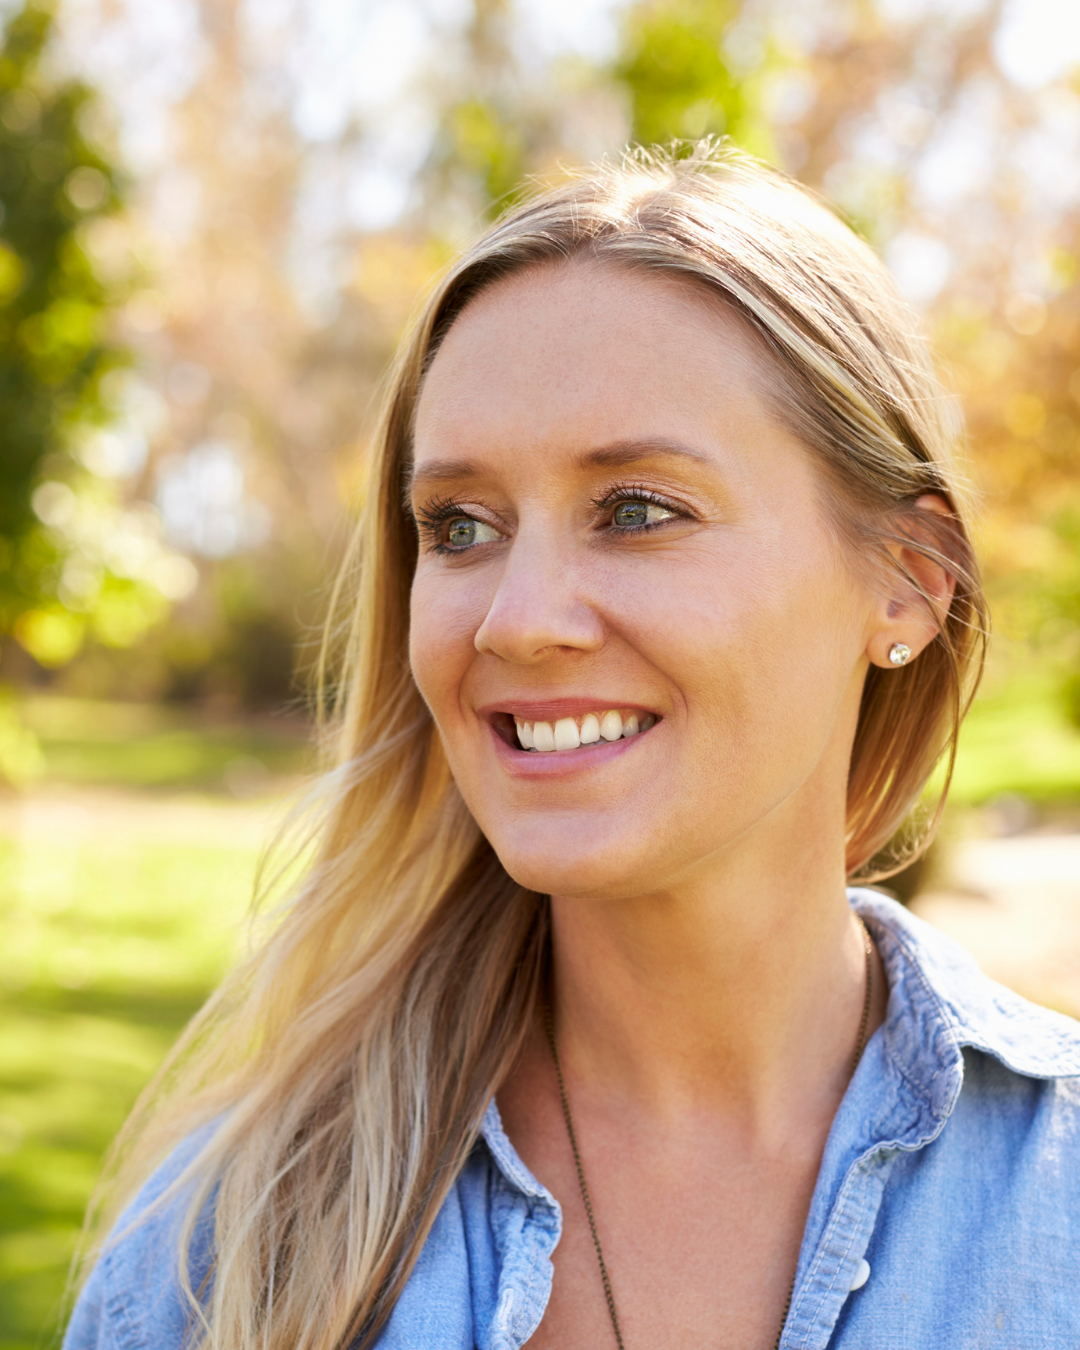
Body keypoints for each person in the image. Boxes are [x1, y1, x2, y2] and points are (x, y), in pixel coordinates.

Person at [64, 144, 1080, 1350]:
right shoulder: (220, 1263)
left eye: (638, 510)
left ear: (909, 579)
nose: (517, 620)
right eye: (460, 526)